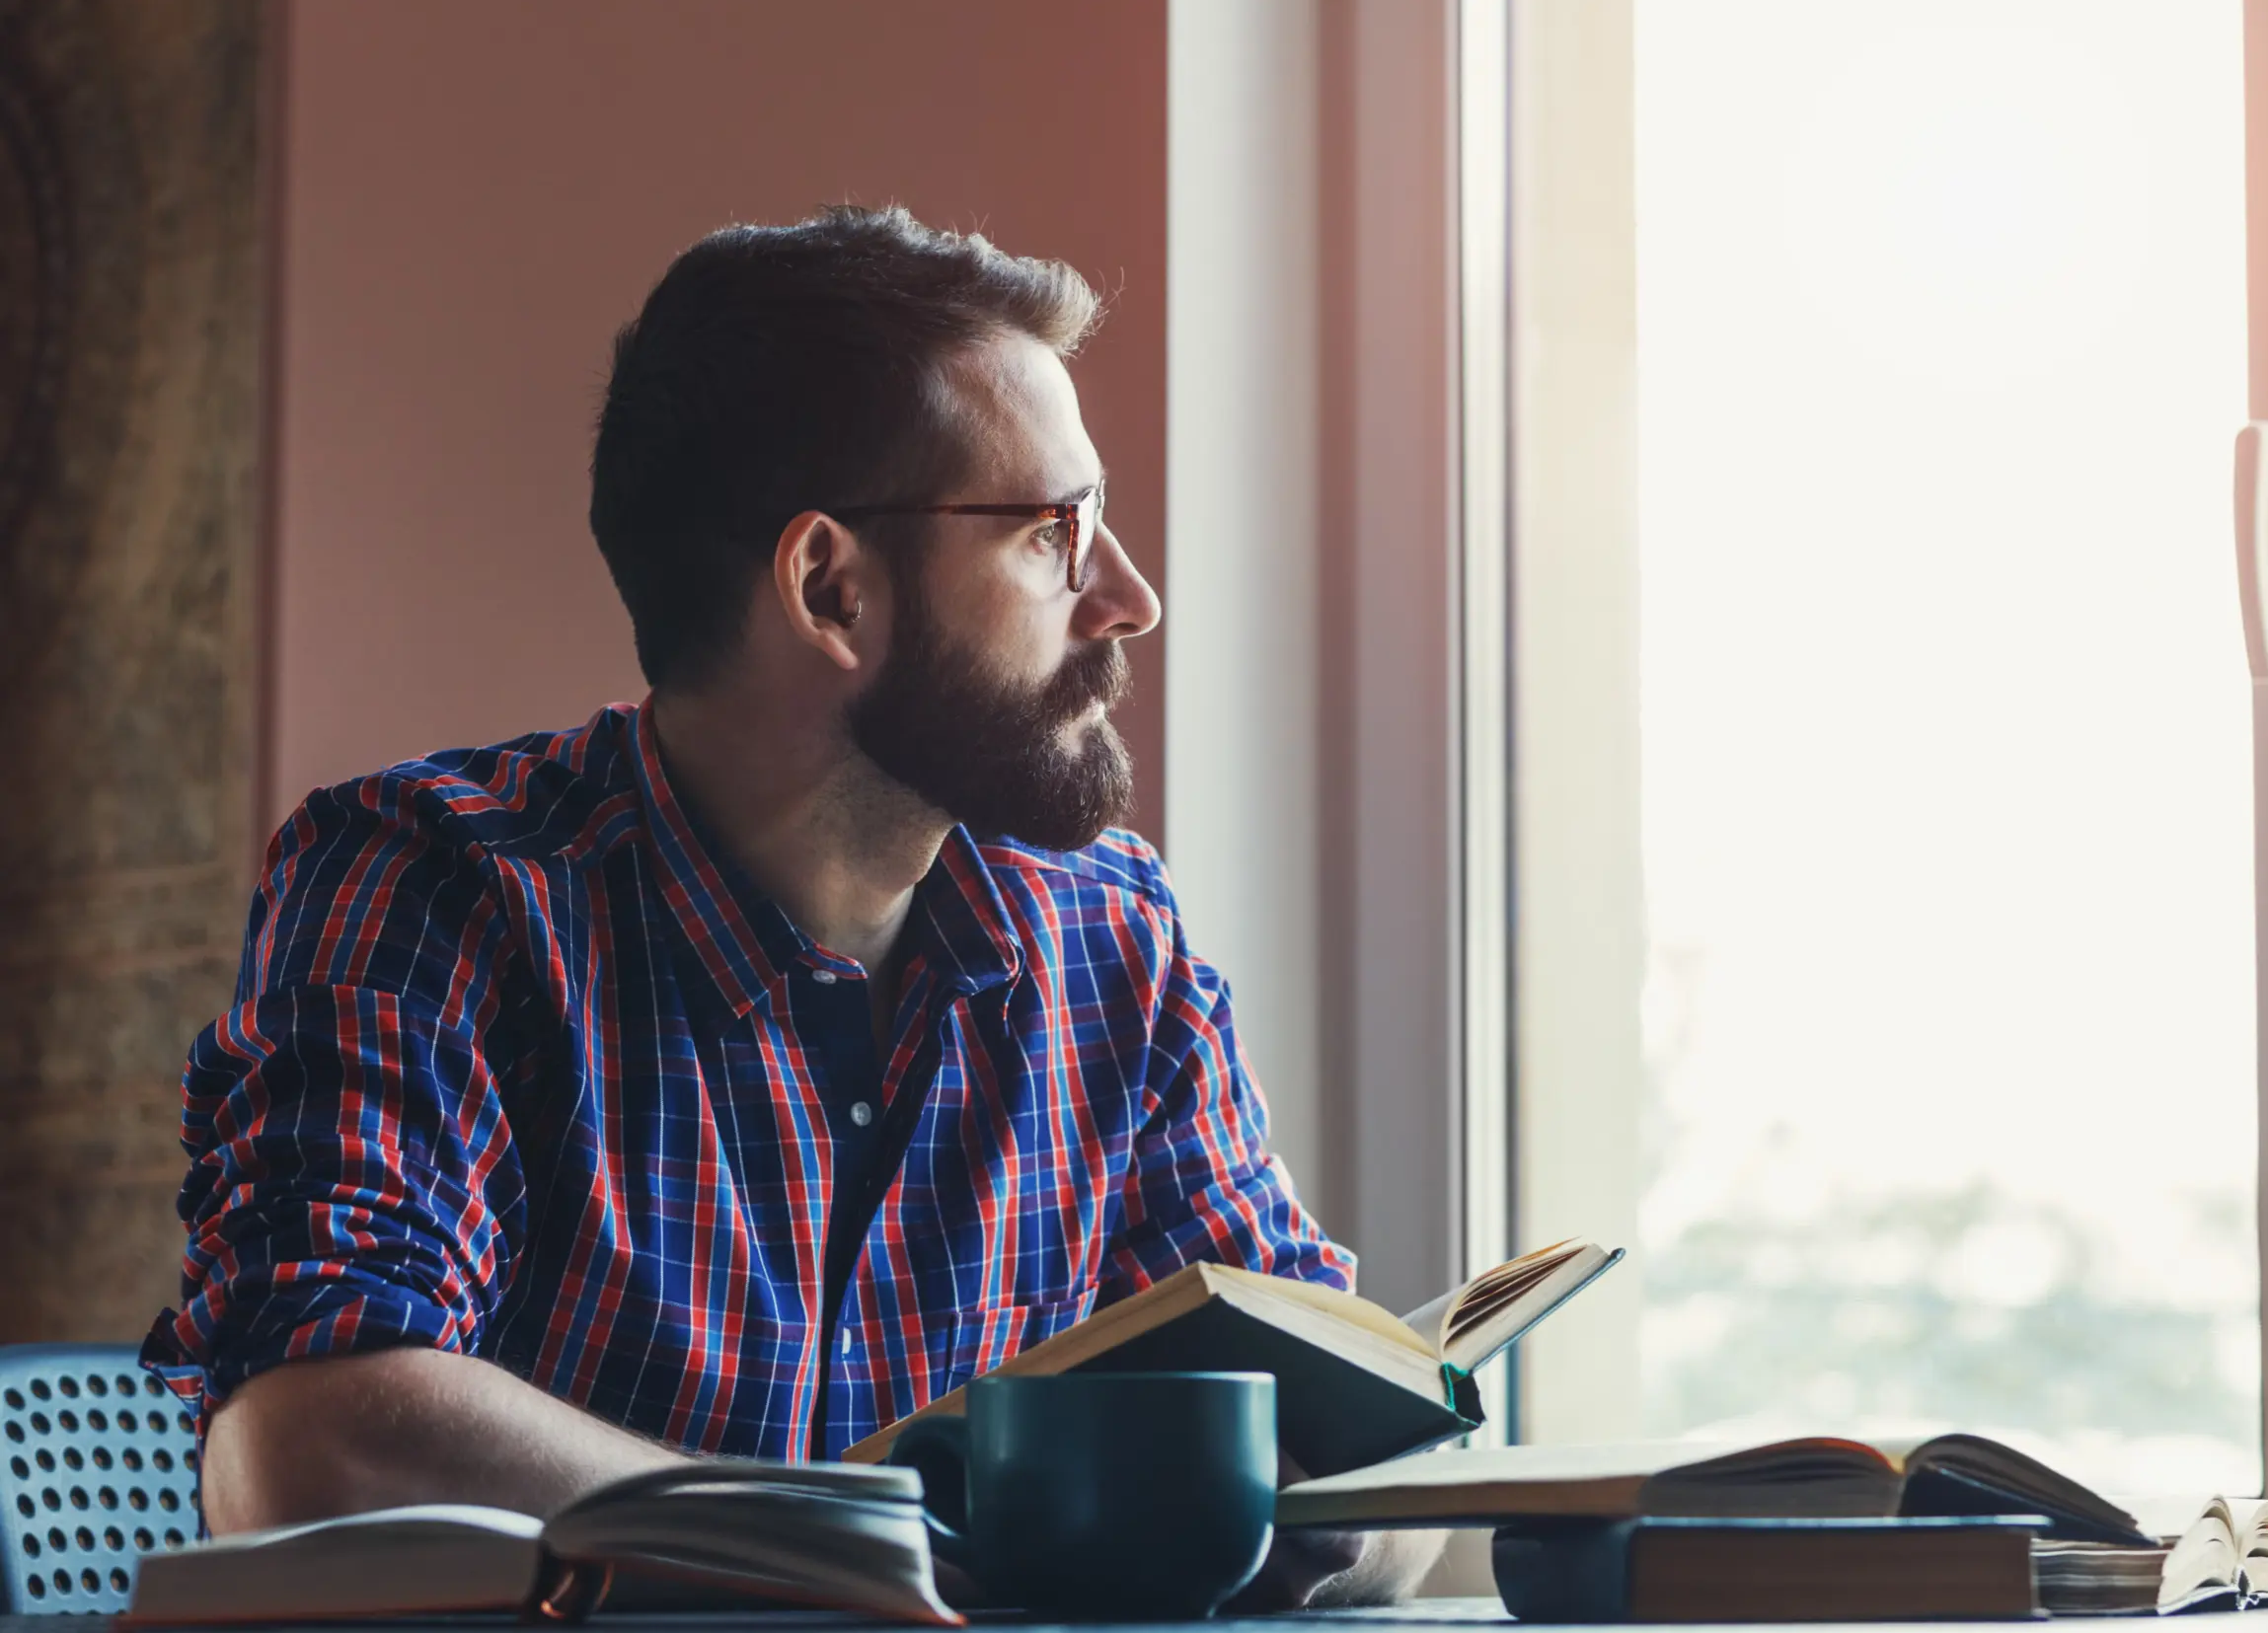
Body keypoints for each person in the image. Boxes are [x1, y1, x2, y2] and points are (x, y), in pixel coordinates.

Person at [142, 205, 1443, 1608]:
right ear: (832, 587)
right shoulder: (435, 885)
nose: (1130, 597)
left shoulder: (1111, 943)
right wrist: (879, 1543)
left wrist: (1319, 1514)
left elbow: (1388, 1479)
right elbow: (307, 1445)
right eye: (1057, 533)